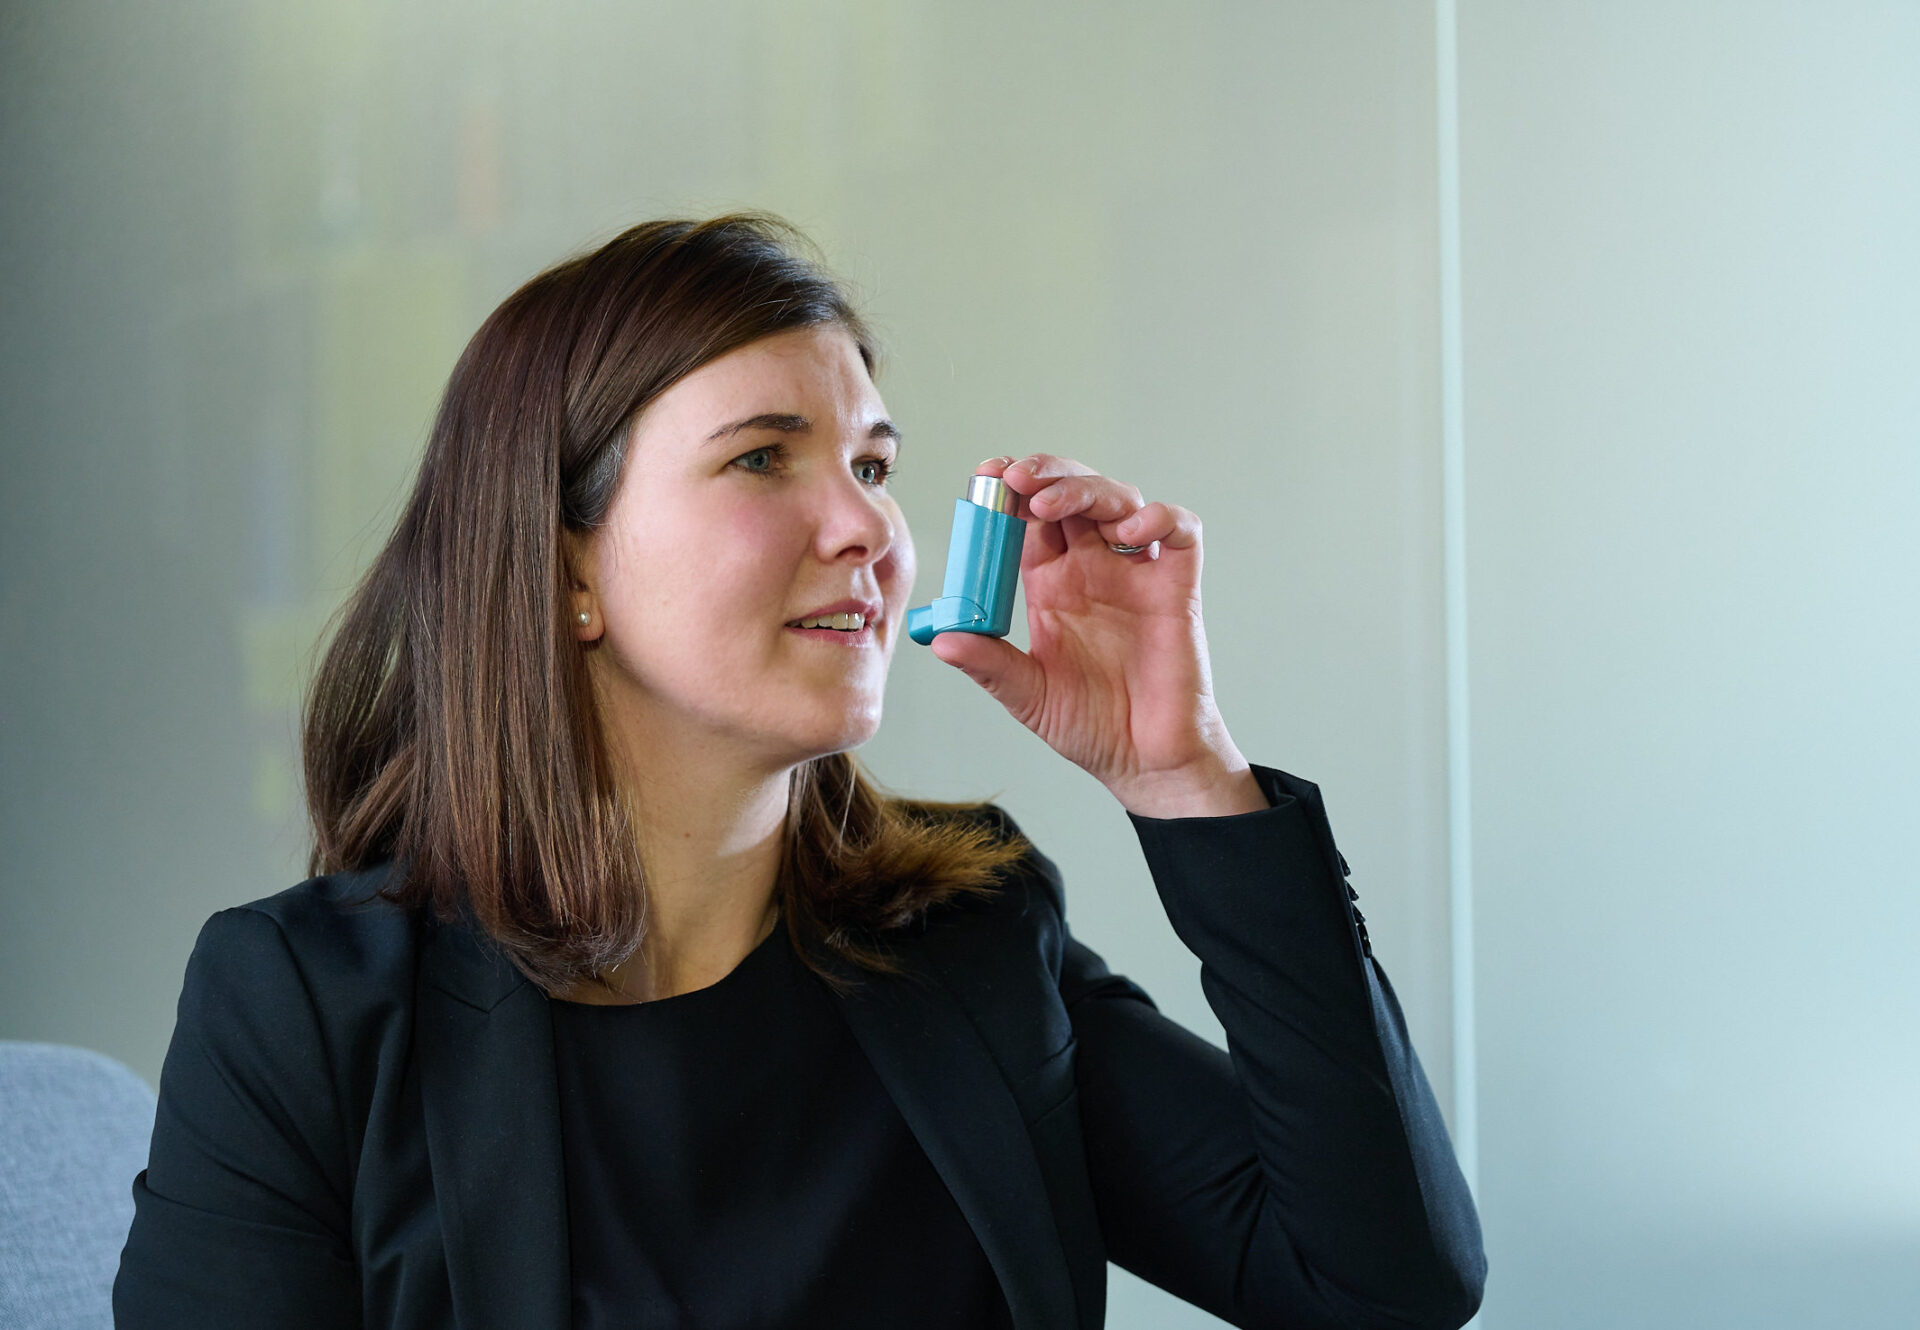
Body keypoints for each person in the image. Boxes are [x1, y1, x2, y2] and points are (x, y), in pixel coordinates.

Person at [113, 214, 1486, 1329]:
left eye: (875, 463)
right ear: (567, 563)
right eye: (764, 457)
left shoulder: (972, 939)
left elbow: (1383, 1283)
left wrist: (1181, 772)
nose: (869, 527)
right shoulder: (305, 1010)